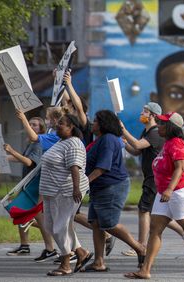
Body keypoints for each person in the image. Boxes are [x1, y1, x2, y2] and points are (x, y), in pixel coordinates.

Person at [124, 112, 184, 280]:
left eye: (163, 123)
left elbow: (180, 169)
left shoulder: (177, 144)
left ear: (172, 127)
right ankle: (145, 270)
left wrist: (170, 190)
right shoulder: (168, 143)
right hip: (165, 192)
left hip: (177, 191)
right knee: (155, 230)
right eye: (159, 122)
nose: (159, 125)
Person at [121, 102, 184, 257]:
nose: (142, 114)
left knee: (144, 210)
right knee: (159, 215)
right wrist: (125, 143)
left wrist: (124, 131)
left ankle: (141, 246)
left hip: (155, 178)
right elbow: (136, 151)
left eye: (145, 111)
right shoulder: (146, 132)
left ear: (152, 115)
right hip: (151, 177)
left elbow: (139, 145)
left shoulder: (155, 133)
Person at [60, 69, 116, 261]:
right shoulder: (67, 125)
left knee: (72, 214)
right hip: (68, 170)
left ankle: (101, 237)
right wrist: (59, 81)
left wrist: (69, 84)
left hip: (80, 170)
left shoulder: (84, 125)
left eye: (70, 107)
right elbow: (65, 102)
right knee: (69, 215)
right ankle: (76, 250)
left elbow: (77, 106)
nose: (66, 109)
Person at [84, 110, 146, 272]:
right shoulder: (101, 139)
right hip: (99, 187)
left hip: (111, 186)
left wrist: (84, 182)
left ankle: (140, 248)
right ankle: (99, 262)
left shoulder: (108, 140)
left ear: (104, 124)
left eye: (96, 121)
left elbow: (103, 167)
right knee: (96, 224)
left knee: (109, 224)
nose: (93, 123)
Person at [39, 114, 92, 276]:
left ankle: (65, 264)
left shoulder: (74, 143)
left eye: (61, 123)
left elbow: (75, 167)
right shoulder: (62, 142)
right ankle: (81, 252)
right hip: (52, 192)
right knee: (52, 226)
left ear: (71, 128)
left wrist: (76, 188)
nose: (57, 125)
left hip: (65, 191)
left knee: (59, 227)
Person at [4, 117, 57, 262]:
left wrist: (12, 151)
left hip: (34, 184)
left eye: (35, 125)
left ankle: (51, 244)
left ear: (40, 129)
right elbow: (23, 158)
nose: (31, 126)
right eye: (30, 123)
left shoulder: (39, 143)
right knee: (21, 212)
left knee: (28, 213)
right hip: (28, 183)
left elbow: (29, 162)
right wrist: (4, 157)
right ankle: (25, 245)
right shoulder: (32, 143)